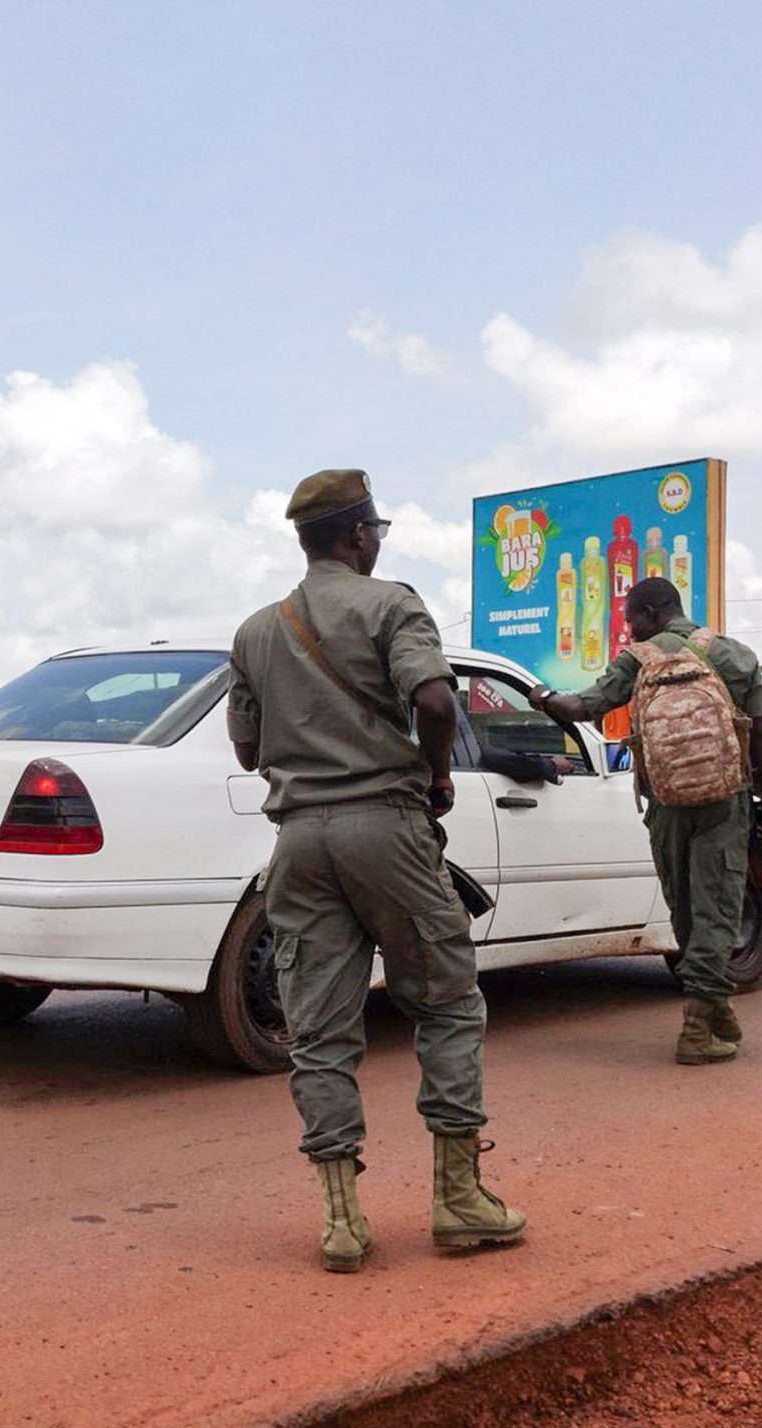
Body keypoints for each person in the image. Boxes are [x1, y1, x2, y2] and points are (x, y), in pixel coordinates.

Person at [226, 469, 557, 1273]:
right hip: (387, 827)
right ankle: (457, 1200)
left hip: (299, 842)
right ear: (358, 535)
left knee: (319, 1026)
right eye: (375, 530)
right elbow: (438, 705)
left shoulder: (256, 631)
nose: (377, 542)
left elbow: (246, 744)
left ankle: (342, 1222)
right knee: (446, 1001)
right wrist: (437, 777)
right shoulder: (391, 604)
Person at [529, 576, 762, 1066]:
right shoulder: (735, 655)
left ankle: (707, 1015)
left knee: (684, 906)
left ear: (649, 612)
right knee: (718, 906)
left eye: (630, 619)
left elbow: (581, 707)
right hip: (726, 799)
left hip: (665, 801)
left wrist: (540, 695)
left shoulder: (637, 660)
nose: (629, 629)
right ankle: (703, 1022)